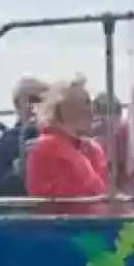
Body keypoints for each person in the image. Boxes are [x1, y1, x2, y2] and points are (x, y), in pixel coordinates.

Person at [24, 79, 107, 207]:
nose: (92, 111)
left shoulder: (91, 149)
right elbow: (57, 200)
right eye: (86, 103)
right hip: (70, 224)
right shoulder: (46, 148)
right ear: (65, 109)